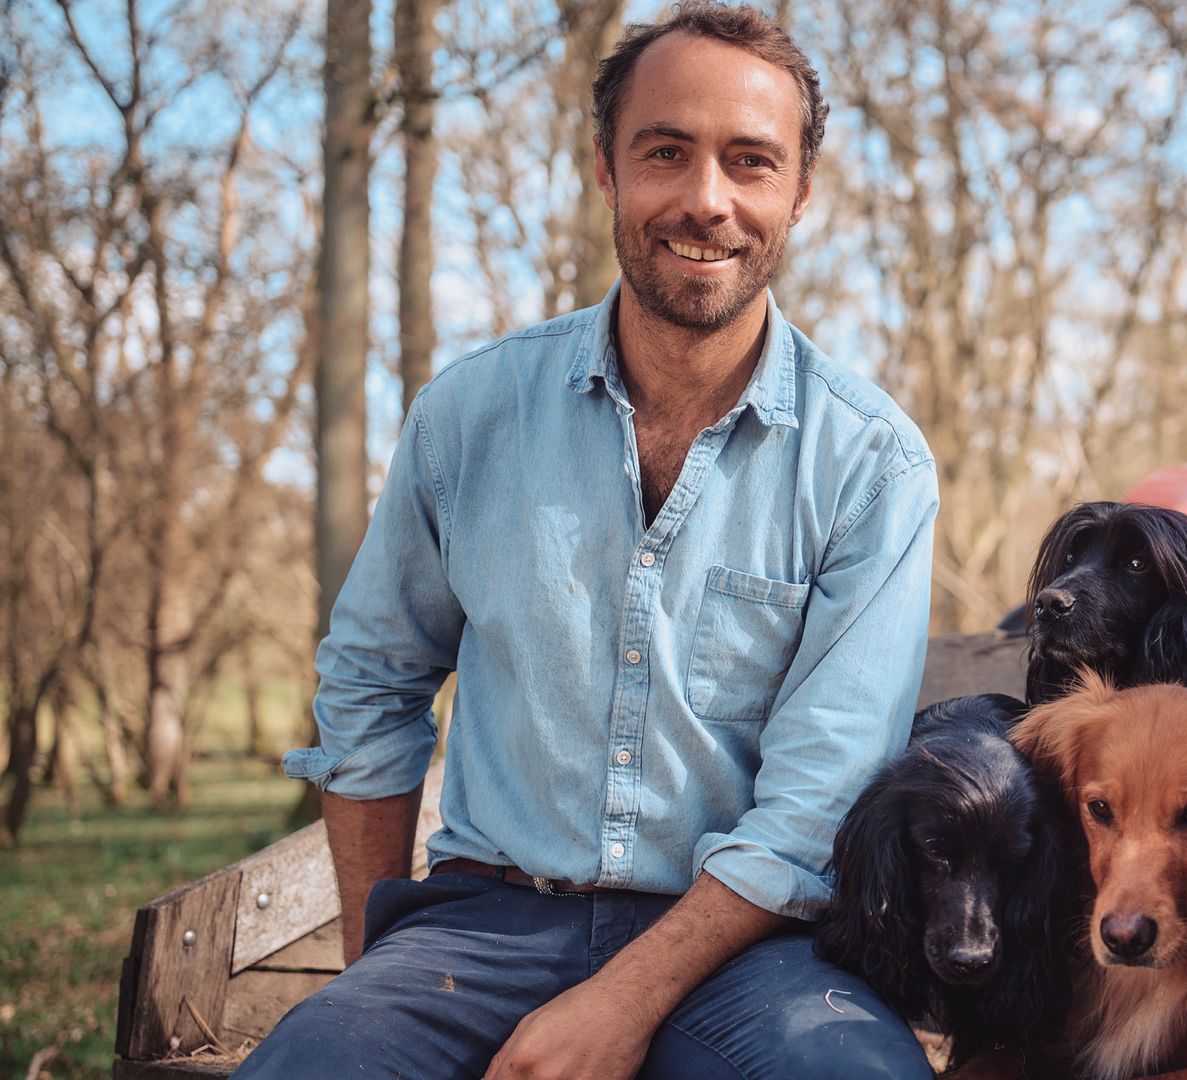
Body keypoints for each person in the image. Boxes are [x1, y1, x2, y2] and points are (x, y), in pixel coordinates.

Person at [236, 5, 939, 1078]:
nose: (708, 199)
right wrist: (374, 973)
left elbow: (819, 805)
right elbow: (372, 685)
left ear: (799, 195)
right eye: (667, 152)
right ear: (607, 171)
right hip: (484, 926)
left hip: (753, 957)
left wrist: (620, 1004)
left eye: (750, 162)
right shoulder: (470, 417)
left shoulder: (871, 465)